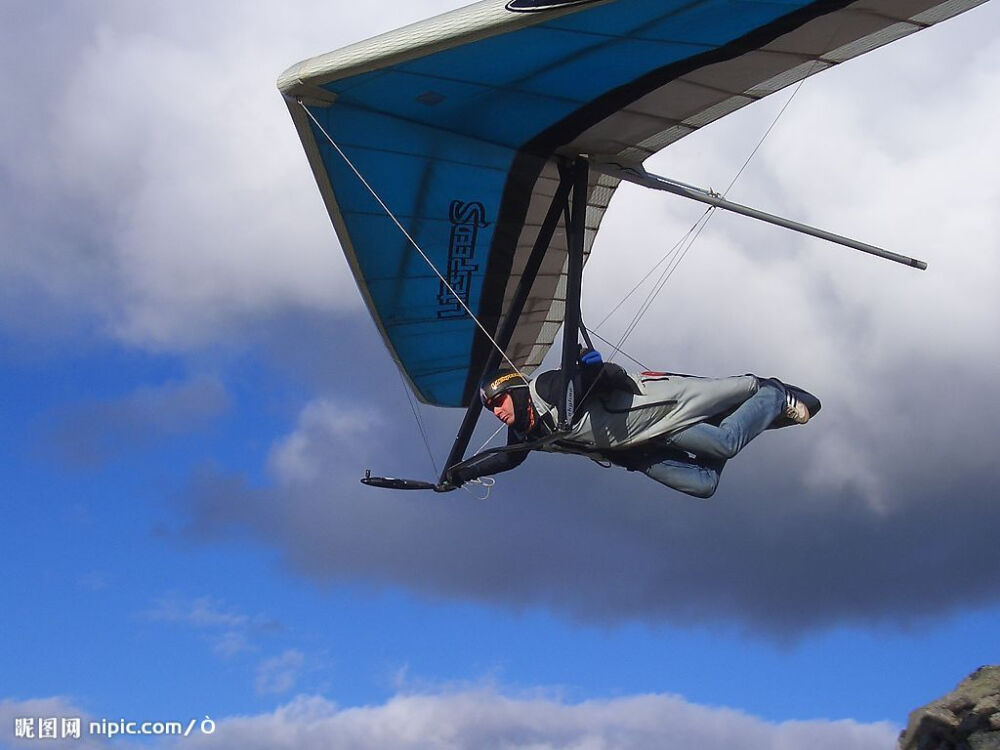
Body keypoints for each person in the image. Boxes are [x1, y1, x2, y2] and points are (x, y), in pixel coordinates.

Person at [440, 350, 818, 498]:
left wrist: (589, 370)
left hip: (655, 419)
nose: (498, 412)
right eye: (491, 410)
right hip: (639, 454)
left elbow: (602, 374)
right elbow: (507, 458)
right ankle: (732, 416)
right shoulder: (526, 431)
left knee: (723, 445)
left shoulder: (546, 387)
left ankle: (769, 394)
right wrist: (458, 475)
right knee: (704, 484)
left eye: (499, 402)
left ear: (514, 390)